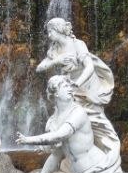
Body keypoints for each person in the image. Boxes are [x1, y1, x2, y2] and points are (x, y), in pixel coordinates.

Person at [35, 17, 119, 155]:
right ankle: (70, 158)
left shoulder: (77, 44)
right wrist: (57, 60)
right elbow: (39, 68)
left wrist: (77, 83)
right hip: (69, 88)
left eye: (51, 31)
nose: (49, 35)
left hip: (87, 86)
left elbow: (90, 66)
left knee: (95, 120)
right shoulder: (54, 50)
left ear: (59, 30)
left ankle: (108, 153)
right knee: (65, 116)